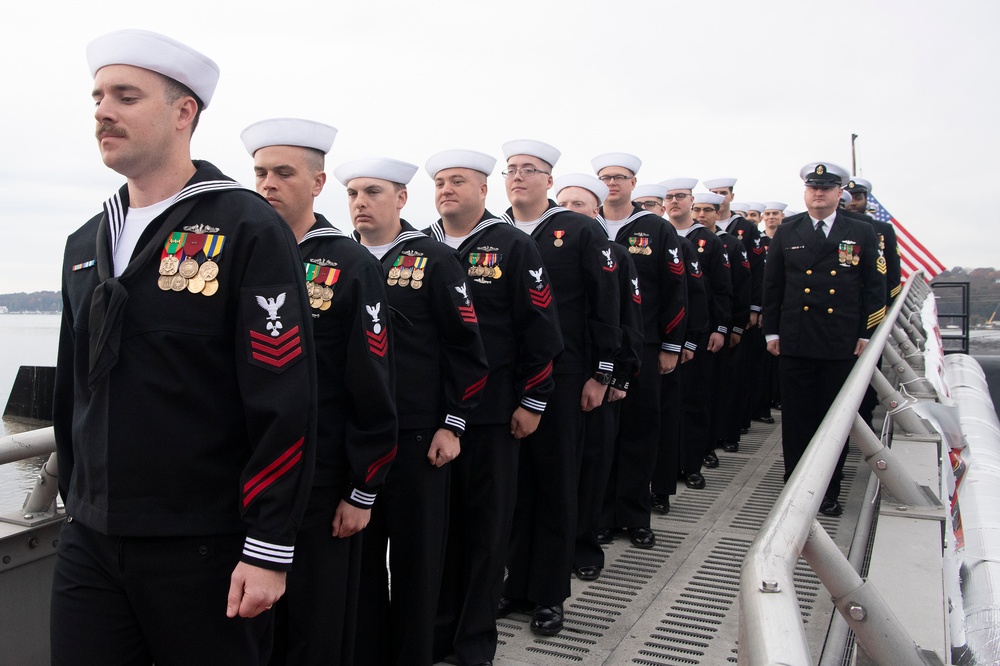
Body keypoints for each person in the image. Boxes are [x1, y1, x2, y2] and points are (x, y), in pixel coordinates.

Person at [52, 30, 317, 665]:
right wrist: (75, 500)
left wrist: (269, 546)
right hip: (91, 539)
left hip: (204, 543)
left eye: (125, 96)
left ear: (182, 112)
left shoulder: (245, 226)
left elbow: (283, 396)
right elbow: (72, 387)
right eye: (97, 97)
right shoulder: (87, 241)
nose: (102, 112)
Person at [240, 118, 398, 665]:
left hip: (323, 478)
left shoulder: (348, 264)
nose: (268, 184)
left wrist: (363, 487)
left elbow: (373, 380)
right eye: (260, 172)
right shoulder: (243, 253)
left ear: (318, 182)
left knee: (316, 627)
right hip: (252, 478)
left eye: (284, 173)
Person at [336, 157, 488, 665]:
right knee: (357, 562)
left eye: (373, 192)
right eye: (354, 193)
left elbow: (466, 348)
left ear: (402, 199)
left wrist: (454, 423)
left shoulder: (434, 259)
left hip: (418, 435)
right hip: (354, 439)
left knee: (416, 561)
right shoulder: (335, 259)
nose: (360, 202)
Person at [425, 150, 563, 666]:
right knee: (441, 534)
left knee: (486, 533)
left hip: (492, 413)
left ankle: (474, 641)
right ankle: (436, 632)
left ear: (484, 190)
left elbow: (542, 330)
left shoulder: (512, 245)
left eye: (457, 181)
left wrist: (533, 400)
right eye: (439, 182)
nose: (446, 190)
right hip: (434, 416)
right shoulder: (421, 245)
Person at [499, 139, 620, 637]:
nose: (519, 177)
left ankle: (548, 593)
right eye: (512, 169)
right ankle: (514, 583)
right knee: (511, 488)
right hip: (504, 378)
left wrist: (603, 373)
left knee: (554, 484)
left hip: (565, 377)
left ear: (549, 181)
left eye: (530, 170)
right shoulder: (495, 231)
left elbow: (606, 303)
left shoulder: (579, 230)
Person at [762, 162, 886, 516]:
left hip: (840, 339)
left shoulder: (860, 231)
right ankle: (794, 488)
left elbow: (874, 290)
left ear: (839, 193)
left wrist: (867, 334)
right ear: (805, 192)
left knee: (832, 421)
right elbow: (773, 286)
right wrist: (771, 331)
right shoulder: (789, 230)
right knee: (798, 419)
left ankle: (828, 490)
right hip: (796, 339)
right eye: (813, 187)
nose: (818, 193)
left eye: (826, 188)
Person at [591, 153, 687, 551]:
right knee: (599, 437)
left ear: (634, 183)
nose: (612, 184)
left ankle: (634, 514)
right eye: (605, 178)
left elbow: (675, 289)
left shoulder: (656, 229)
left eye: (619, 178)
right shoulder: (584, 226)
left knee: (639, 429)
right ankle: (598, 516)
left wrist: (670, 345)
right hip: (596, 349)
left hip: (642, 345)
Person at [553, 173, 642, 579]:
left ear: (595, 211)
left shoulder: (615, 255)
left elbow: (628, 319)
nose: (569, 212)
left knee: (592, 464)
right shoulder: (541, 247)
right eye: (563, 204)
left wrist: (618, 376)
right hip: (558, 372)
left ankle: (584, 548)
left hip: (597, 375)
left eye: (578, 205)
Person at [634, 185, 709, 512]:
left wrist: (682, 342)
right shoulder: (622, 240)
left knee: (662, 418)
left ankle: (661, 488)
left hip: (663, 344)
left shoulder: (678, 244)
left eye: (654, 203)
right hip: (633, 343)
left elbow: (690, 295)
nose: (649, 209)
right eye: (645, 204)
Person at [661, 180, 732, 490]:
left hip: (696, 333)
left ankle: (692, 462)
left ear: (690, 201)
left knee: (694, 400)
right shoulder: (659, 234)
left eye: (680, 196)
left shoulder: (708, 241)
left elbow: (719, 289)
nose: (674, 202)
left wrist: (720, 328)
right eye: (669, 197)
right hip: (664, 334)